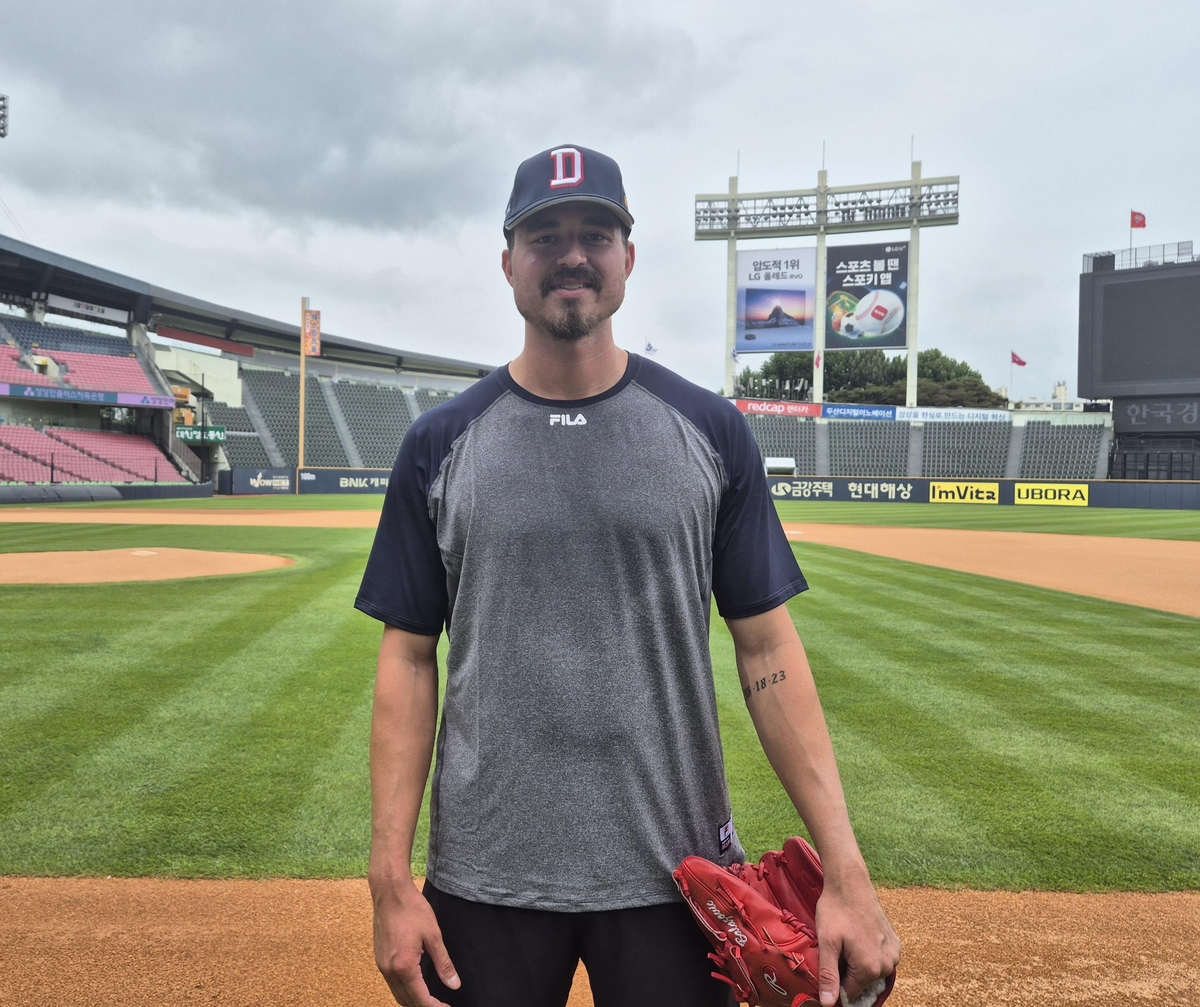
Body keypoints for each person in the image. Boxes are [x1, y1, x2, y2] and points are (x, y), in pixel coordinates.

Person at [356, 144, 900, 1007]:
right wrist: (391, 879)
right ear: (507, 263)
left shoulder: (709, 431)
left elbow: (767, 649)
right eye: (545, 236)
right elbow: (407, 658)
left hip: (677, 879)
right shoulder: (440, 444)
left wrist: (847, 868)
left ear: (628, 258)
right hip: (487, 876)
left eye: (595, 233)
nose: (572, 254)